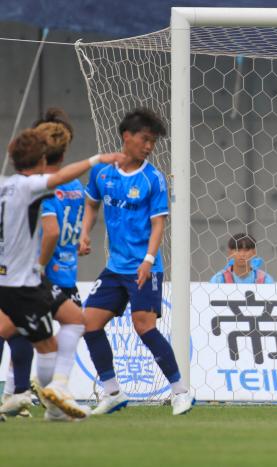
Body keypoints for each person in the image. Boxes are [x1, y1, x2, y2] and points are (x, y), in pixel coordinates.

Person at [0, 128, 124, 420]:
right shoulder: (30, 186)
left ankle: (44, 396)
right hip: (22, 283)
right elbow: (59, 178)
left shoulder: (4, 185)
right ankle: (51, 396)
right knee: (49, 342)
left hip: (20, 278)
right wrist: (96, 159)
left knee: (65, 323)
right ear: (42, 160)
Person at [79, 108, 194, 416]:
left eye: (153, 141)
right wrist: (84, 232)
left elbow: (158, 224)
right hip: (115, 268)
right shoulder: (102, 172)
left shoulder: (152, 178)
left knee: (144, 327)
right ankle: (113, 392)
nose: (149, 146)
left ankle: (180, 391)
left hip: (145, 268)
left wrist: (148, 260)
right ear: (126, 136)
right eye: (145, 139)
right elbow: (91, 205)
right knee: (89, 323)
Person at [0, 109, 85, 421]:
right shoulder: (44, 187)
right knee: (30, 332)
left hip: (33, 274)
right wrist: (39, 265)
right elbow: (51, 231)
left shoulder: (24, 185)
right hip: (37, 275)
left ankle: (19, 393)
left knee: (17, 330)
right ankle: (39, 394)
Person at [209, 233, 274, 284]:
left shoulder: (264, 279)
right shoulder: (219, 279)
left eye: (246, 250)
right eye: (238, 250)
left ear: (254, 252)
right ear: (230, 252)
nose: (242, 254)